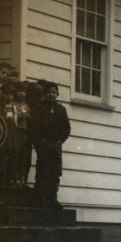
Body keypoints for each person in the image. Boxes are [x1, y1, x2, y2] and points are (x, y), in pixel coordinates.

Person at [32, 80, 71, 209]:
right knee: (43, 170)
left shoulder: (61, 109)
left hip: (56, 145)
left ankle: (53, 197)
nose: (51, 95)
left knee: (55, 172)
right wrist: (39, 142)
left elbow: (66, 127)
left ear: (57, 94)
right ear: (45, 94)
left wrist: (60, 140)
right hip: (43, 144)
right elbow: (34, 127)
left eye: (54, 92)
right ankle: (41, 198)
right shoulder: (39, 108)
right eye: (49, 92)